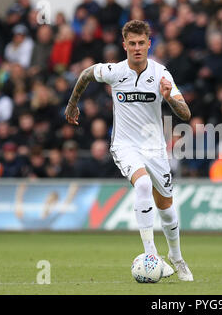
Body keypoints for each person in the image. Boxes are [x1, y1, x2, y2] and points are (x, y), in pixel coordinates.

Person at [64, 20, 193, 281]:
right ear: (124, 45)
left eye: (141, 43)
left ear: (149, 44)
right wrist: (72, 104)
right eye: (131, 43)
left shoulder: (161, 74)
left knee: (166, 207)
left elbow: (186, 114)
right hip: (125, 145)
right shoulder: (114, 71)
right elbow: (87, 73)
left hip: (155, 149)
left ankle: (176, 257)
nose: (136, 48)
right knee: (143, 185)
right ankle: (151, 256)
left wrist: (168, 98)